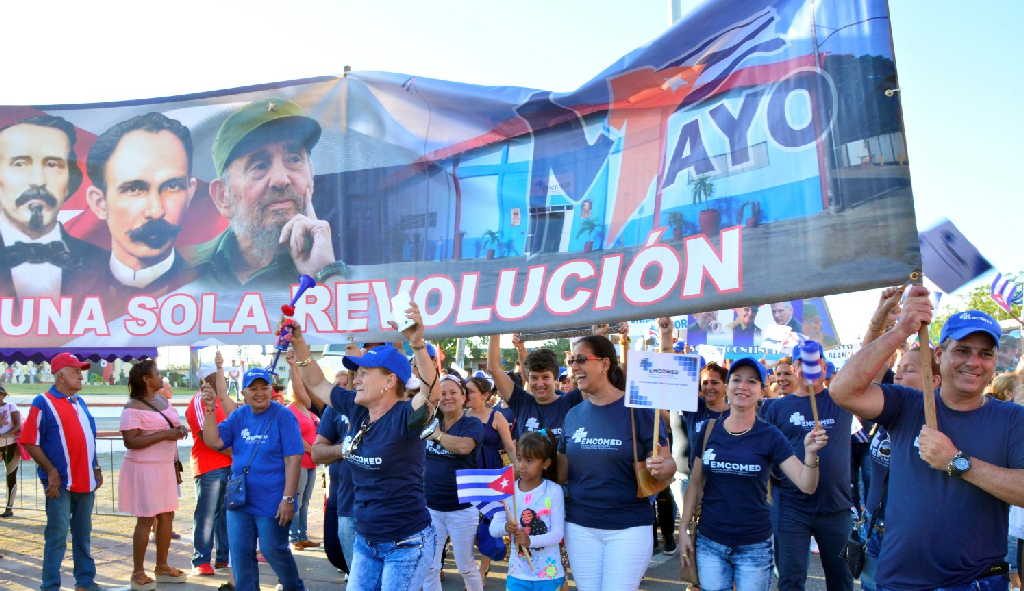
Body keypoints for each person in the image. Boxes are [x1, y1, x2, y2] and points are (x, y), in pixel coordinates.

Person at [830, 291, 1024, 591]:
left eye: (985, 354)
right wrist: (901, 329)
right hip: (900, 581)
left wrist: (957, 462)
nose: (974, 362)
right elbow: (842, 390)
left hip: (977, 582)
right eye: (962, 350)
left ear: (995, 362)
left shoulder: (1013, 419)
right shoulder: (907, 404)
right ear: (938, 355)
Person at [289, 301, 442, 590]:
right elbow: (318, 383)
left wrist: (418, 345)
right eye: (355, 372)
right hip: (366, 539)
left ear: (389, 380)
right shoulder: (356, 408)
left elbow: (431, 394)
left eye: (364, 373)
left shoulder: (406, 416)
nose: (355, 379)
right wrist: (299, 345)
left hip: (406, 544)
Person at [679, 358, 827, 591]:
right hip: (710, 542)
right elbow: (695, 484)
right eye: (736, 380)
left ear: (762, 390)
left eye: (752, 381)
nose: (742, 386)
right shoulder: (709, 430)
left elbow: (806, 484)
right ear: (727, 387)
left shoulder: (771, 435)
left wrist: (810, 454)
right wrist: (684, 529)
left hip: (754, 546)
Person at [556, 334, 675, 590]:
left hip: (628, 527)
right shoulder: (573, 415)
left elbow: (667, 466)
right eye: (571, 360)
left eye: (580, 359)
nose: (573, 367)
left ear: (605, 364)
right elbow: (562, 474)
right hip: (579, 526)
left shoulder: (639, 409)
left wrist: (664, 468)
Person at [188, 98, 336, 288]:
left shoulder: (343, 264)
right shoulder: (182, 271)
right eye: (259, 165)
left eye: (294, 159)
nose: (281, 180)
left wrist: (326, 275)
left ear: (312, 179)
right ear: (223, 196)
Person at [200, 367, 306, 591]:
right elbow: (214, 441)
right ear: (244, 393)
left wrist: (288, 498)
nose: (259, 393)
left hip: (272, 499)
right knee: (239, 554)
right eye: (253, 388)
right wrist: (210, 409)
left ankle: (294, 586)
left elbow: (293, 460)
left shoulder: (283, 416)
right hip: (239, 498)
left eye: (264, 387)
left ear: (271, 389)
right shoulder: (240, 415)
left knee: (272, 549)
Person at [760, 345, 854, 591]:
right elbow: (765, 454)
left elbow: (863, 371)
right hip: (791, 507)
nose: (807, 367)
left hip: (836, 507)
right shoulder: (776, 408)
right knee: (791, 580)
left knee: (841, 580)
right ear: (794, 368)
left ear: (823, 366)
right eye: (800, 363)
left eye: (814, 361)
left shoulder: (841, 400)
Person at [84, 112, 196, 293]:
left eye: (172, 187)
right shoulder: (66, 290)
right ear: (100, 203)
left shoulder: (221, 287)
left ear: (190, 194)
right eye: (134, 189)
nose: (156, 211)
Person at [18, 352, 103, 591]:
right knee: (56, 536)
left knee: (83, 534)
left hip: (86, 481)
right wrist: (50, 471)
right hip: (60, 484)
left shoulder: (79, 402)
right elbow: (29, 440)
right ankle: (50, 586)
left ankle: (85, 581)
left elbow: (89, 438)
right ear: (61, 375)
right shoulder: (42, 402)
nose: (80, 375)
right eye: (76, 371)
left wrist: (95, 466)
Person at [0, 115, 104, 299]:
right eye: (20, 164)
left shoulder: (105, 265)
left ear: (69, 183)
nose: (38, 181)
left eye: (52, 165)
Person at [119, 359, 190, 590]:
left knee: (167, 516)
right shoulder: (132, 407)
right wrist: (165, 434)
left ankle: (162, 566)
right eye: (157, 374)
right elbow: (131, 441)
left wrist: (179, 431)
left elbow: (170, 428)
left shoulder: (162, 400)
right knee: (146, 518)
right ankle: (137, 572)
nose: (161, 377)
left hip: (166, 465)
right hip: (144, 468)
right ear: (146, 380)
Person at [422, 375, 485, 591]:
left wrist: (437, 435)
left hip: (463, 510)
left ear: (463, 397)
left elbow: (464, 447)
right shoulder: (430, 422)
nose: (447, 397)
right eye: (443, 393)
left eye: (453, 392)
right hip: (431, 507)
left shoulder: (472, 423)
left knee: (465, 566)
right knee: (430, 565)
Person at [491, 431, 566, 590]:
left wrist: (531, 541)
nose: (522, 465)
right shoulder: (507, 492)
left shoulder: (553, 491)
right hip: (517, 575)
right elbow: (493, 529)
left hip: (548, 575)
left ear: (545, 463)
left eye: (529, 460)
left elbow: (558, 534)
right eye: (519, 459)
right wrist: (506, 527)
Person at [185, 354, 235, 576]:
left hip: (228, 463)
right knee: (207, 513)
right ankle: (201, 560)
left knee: (225, 513)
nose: (220, 381)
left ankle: (224, 557)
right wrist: (237, 453)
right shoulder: (199, 401)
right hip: (210, 465)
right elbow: (208, 438)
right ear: (205, 380)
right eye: (216, 377)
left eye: (221, 377)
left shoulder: (221, 400)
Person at [465, 374, 516, 578]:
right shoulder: (462, 416)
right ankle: (469, 566)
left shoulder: (497, 417)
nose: (466, 395)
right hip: (468, 477)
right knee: (468, 524)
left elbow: (510, 446)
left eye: (471, 391)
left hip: (492, 478)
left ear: (485, 395)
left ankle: (483, 567)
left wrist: (519, 470)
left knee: (488, 523)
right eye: (465, 390)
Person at [488, 334, 582, 440]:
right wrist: (495, 330)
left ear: (555, 379)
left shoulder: (571, 401)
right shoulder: (521, 402)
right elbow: (494, 369)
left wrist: (599, 335)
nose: (540, 383)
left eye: (545, 377)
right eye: (534, 378)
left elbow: (598, 375)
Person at [284, 352, 322, 551]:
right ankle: (294, 536)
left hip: (311, 462)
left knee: (305, 501)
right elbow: (294, 437)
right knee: (296, 500)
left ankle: (303, 534)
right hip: (299, 462)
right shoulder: (291, 410)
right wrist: (313, 449)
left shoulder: (308, 409)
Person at [0, 384, 21, 517]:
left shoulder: (11, 406)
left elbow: (18, 424)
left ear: (3, 395)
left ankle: (9, 507)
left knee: (10, 475)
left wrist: (6, 435)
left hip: (11, 445)